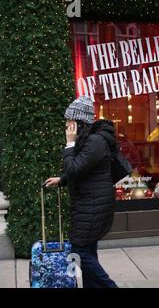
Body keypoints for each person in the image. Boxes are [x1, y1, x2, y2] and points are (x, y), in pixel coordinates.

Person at [45, 96, 118, 288]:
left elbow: (75, 168)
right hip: (90, 203)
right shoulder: (89, 140)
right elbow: (84, 169)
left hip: (93, 206)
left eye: (70, 121)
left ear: (80, 122)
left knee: (80, 251)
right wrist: (62, 180)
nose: (67, 125)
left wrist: (69, 144)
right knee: (88, 251)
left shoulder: (95, 142)